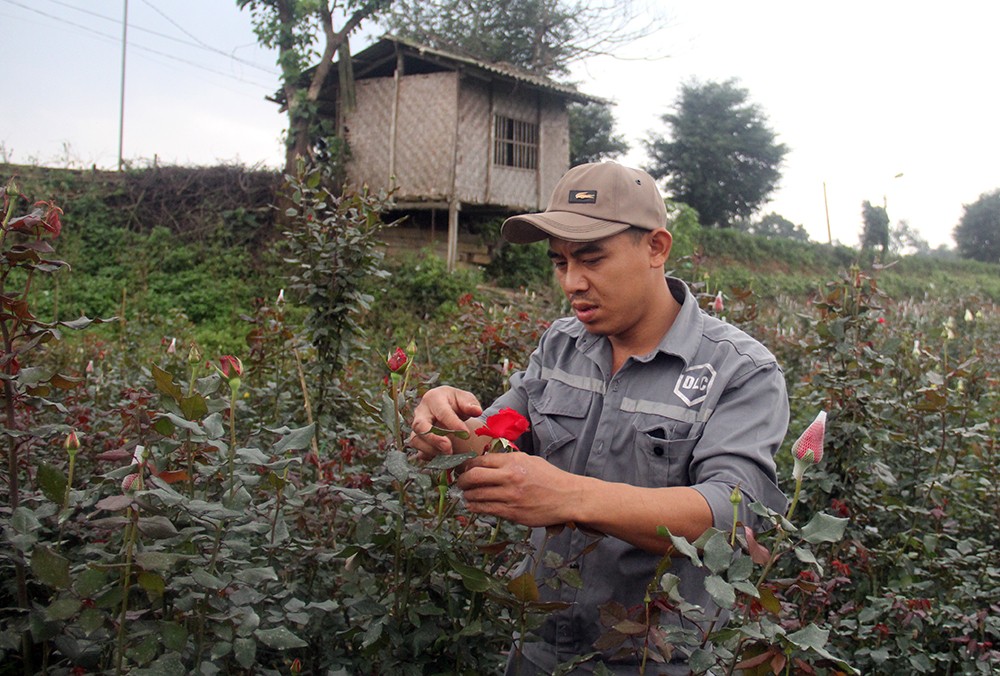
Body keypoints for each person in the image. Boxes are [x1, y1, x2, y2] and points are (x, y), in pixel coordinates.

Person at [408, 161, 789, 674]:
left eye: (592, 258)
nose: (572, 282)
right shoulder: (561, 345)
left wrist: (570, 495)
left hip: (655, 659)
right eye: (560, 262)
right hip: (537, 648)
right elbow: (495, 437)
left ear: (656, 247)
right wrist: (445, 425)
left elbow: (730, 517)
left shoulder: (739, 370)